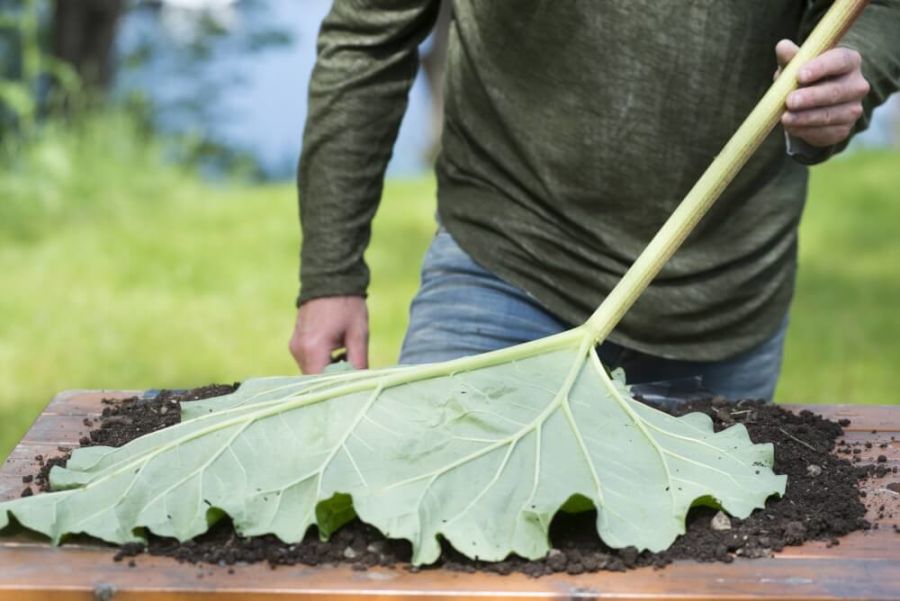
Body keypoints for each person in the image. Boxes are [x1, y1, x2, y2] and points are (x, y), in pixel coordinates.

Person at [289, 1, 900, 400]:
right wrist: (331, 273)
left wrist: (849, 77)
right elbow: (369, 38)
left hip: (725, 298)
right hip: (504, 269)